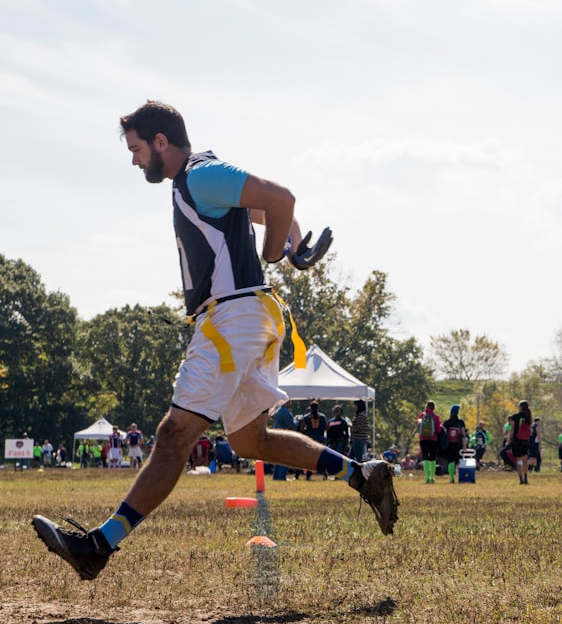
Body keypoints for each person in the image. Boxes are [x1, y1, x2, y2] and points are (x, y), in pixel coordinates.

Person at [32, 100, 396, 582]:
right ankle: (361, 474)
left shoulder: (200, 175)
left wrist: (276, 255)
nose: (135, 160)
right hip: (249, 318)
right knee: (250, 439)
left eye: (138, 149)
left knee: (173, 435)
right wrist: (296, 246)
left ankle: (98, 545)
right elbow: (278, 212)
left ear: (162, 142)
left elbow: (281, 198)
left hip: (233, 318)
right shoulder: (199, 181)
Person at [299, 401, 328, 479]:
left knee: (310, 458)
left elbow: (301, 429)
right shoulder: (322, 416)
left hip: (310, 439)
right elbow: (326, 427)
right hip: (320, 439)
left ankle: (308, 475)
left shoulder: (305, 417)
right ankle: (324, 474)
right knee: (322, 457)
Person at [417, 401, 442, 484]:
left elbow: (418, 426)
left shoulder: (421, 416)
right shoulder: (436, 417)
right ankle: (432, 477)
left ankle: (427, 477)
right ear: (433, 408)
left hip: (423, 439)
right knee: (432, 458)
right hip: (433, 439)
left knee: (425, 458)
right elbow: (438, 429)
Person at [508, 401, 533, 484]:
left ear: (521, 407)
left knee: (518, 460)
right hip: (525, 440)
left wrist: (508, 440)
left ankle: (521, 479)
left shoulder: (515, 417)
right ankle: (526, 478)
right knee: (525, 460)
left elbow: (512, 430)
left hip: (517, 440)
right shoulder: (528, 417)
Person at [441, 405, 468, 483]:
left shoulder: (447, 422)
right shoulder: (460, 422)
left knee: (450, 461)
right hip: (458, 444)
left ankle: (451, 477)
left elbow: (443, 434)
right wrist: (464, 446)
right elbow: (463, 435)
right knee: (458, 461)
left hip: (449, 445)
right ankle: (460, 476)